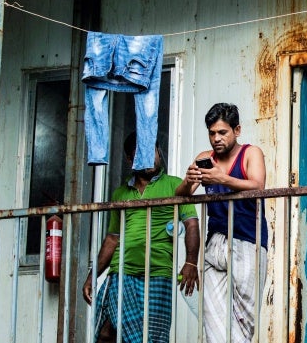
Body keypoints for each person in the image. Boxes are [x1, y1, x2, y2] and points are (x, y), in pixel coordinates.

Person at [82, 132, 200, 343]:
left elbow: (191, 223)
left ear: (158, 153)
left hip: (158, 273)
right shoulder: (120, 194)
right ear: (130, 159)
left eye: (152, 150)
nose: (149, 156)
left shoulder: (175, 185)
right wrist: (93, 276)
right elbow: (112, 238)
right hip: (122, 273)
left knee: (151, 338)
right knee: (106, 332)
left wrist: (191, 261)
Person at [176, 102, 267, 343]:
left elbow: (258, 185)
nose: (216, 138)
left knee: (244, 320)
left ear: (237, 130)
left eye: (222, 132)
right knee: (213, 320)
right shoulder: (205, 158)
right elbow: (181, 195)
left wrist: (222, 178)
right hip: (214, 243)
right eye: (211, 132)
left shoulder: (251, 153)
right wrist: (188, 180)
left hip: (248, 241)